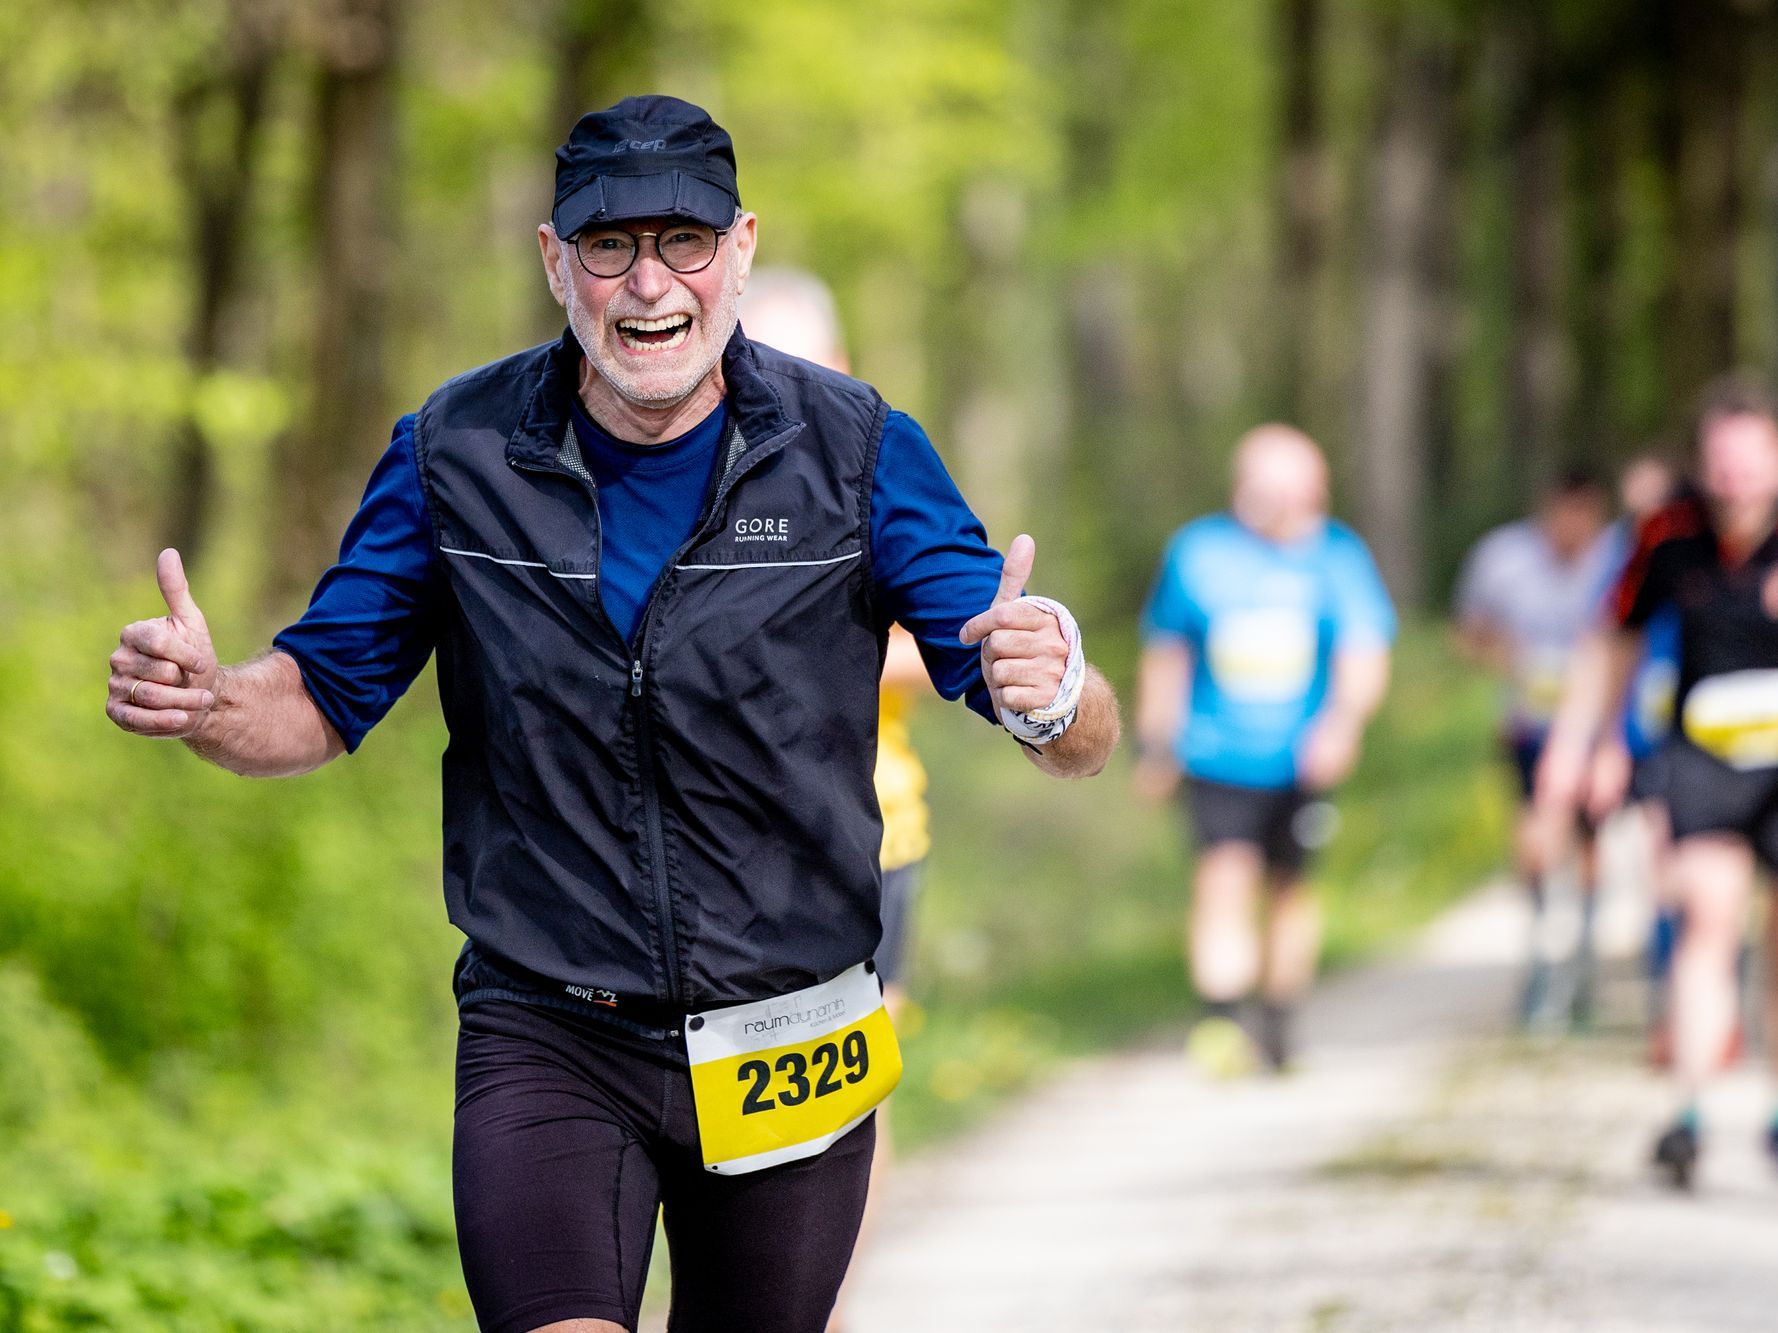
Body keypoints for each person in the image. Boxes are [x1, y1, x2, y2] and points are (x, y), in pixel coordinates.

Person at [104, 96, 1118, 1333]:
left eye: (683, 242)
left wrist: (1055, 682)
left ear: (739, 250)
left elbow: (1074, 734)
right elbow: (314, 698)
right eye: (608, 246)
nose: (650, 284)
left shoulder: (853, 450)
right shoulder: (455, 453)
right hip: (549, 1026)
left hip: (787, 1023)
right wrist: (210, 702)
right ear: (553, 261)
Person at [1537, 374, 1778, 1190]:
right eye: (1721, 463)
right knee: (1706, 917)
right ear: (1703, 464)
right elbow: (1611, 640)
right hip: (1701, 754)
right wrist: (1579, 743)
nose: (1735, 479)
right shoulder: (1668, 530)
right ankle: (1690, 1110)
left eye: (1751, 461)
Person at [735, 265, 934, 1333]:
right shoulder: (689, 465)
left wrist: (808, 650)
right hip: (716, 846)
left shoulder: (876, 466)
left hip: (867, 834)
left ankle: (832, 1301)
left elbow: (942, 642)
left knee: (848, 1085)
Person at [1134, 425, 1395, 1075]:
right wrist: (1155, 739)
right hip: (1216, 754)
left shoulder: (1338, 556)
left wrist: (1342, 725)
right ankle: (1221, 1020)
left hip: (1301, 761)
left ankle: (1279, 1020)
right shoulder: (1198, 550)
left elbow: (1364, 652)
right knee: (1222, 877)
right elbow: (1167, 649)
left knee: (1290, 888)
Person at [1452, 470, 1621, 1028]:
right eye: (1563, 514)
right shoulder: (1503, 557)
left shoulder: (1618, 558)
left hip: (1597, 725)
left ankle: (1585, 959)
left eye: (1585, 516)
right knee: (1536, 834)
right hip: (1530, 723)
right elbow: (1468, 630)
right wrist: (1506, 654)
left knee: (1590, 837)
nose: (1573, 528)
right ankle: (1541, 951)